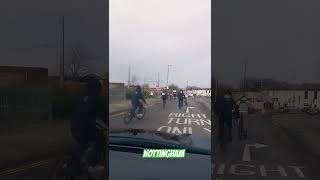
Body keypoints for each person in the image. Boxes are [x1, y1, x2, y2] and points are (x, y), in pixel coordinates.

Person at [70, 75, 107, 175]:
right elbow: (103, 117)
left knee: (83, 142)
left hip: (74, 128)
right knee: (101, 138)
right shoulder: (98, 100)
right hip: (87, 130)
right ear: (97, 88)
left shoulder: (80, 98)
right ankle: (93, 166)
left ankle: (80, 161)